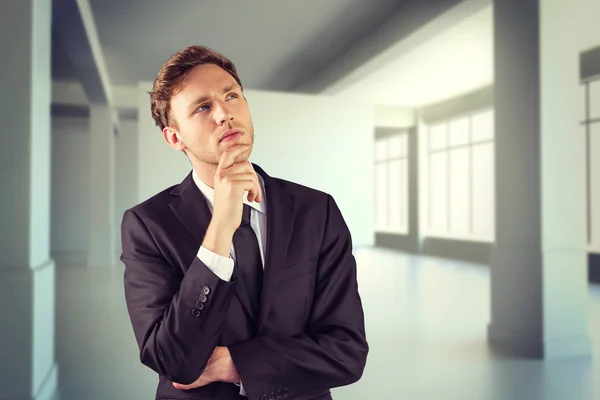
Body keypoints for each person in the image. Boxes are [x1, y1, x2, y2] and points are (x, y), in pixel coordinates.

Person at [120, 45, 368, 400]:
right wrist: (221, 225)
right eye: (203, 107)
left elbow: (347, 352)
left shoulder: (316, 210)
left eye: (232, 96)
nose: (224, 113)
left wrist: (235, 363)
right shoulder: (147, 225)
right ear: (175, 137)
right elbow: (172, 360)